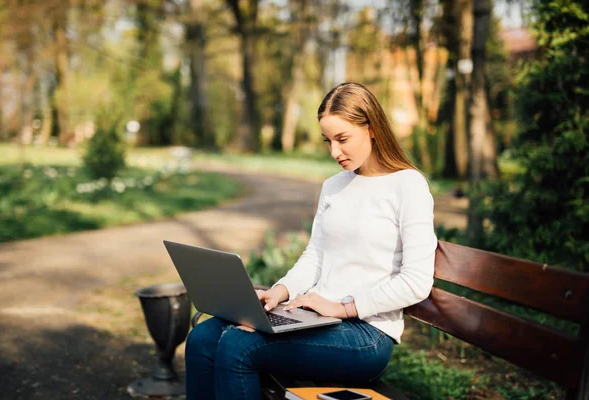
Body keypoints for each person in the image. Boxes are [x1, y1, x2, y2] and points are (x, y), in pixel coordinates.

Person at [185, 82, 437, 400]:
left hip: (367, 334)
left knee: (239, 347)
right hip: (316, 319)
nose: (334, 152)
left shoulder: (408, 185)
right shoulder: (333, 186)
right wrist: (280, 291)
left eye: (342, 139)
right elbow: (315, 255)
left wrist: (344, 308)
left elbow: (416, 281)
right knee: (203, 338)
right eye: (328, 141)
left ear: (371, 128)